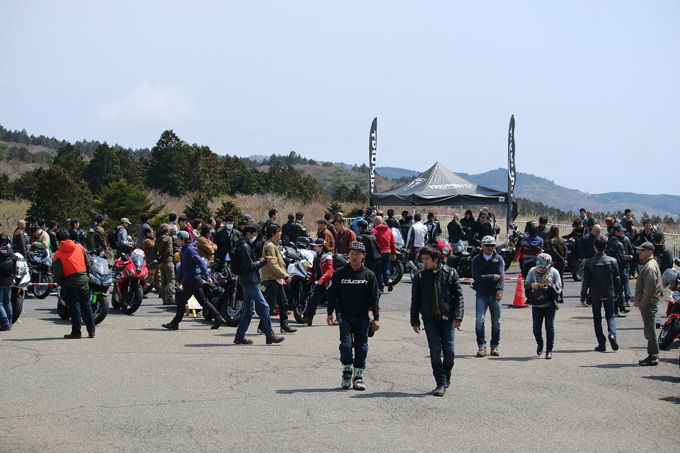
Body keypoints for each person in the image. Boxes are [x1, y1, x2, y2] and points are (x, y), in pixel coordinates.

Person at [410, 245, 464, 396]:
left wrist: (458, 316)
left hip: (447, 319)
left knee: (450, 352)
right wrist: (415, 321)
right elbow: (415, 300)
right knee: (435, 352)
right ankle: (440, 383)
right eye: (423, 259)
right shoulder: (420, 276)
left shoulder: (450, 273)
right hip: (430, 320)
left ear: (436, 259)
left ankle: (446, 374)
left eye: (427, 259)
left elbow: (458, 296)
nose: (424, 262)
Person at [326, 240, 380, 391]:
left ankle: (358, 376)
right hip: (345, 316)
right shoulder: (339, 273)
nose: (354, 257)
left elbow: (374, 297)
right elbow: (332, 294)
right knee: (345, 346)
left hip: (362, 317)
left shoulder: (369, 275)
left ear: (363, 256)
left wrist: (376, 318)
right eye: (351, 254)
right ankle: (346, 373)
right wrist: (330, 313)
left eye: (357, 254)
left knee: (362, 347)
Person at [162, 231, 226, 331]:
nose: (176, 240)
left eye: (178, 239)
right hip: (190, 279)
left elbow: (201, 262)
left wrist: (207, 276)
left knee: (182, 301)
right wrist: (179, 279)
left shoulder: (190, 250)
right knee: (203, 301)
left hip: (192, 279)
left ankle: (175, 323)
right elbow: (183, 266)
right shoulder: (183, 249)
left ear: (183, 239)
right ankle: (218, 317)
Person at [232, 225, 285, 345]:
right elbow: (250, 266)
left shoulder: (242, 245)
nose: (255, 236)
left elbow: (249, 263)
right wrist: (264, 260)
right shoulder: (245, 247)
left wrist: (260, 260)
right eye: (254, 234)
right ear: (248, 234)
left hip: (247, 280)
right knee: (265, 307)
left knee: (249, 310)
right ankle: (269, 334)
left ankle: (240, 335)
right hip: (250, 280)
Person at [52, 228, 95, 339]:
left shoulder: (58, 253)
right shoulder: (80, 247)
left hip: (69, 282)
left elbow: (57, 272)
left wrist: (60, 282)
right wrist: (85, 273)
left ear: (58, 239)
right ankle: (91, 331)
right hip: (83, 279)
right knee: (86, 305)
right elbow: (88, 263)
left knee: (75, 306)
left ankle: (76, 331)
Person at [580, 236, 620, 352]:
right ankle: (612, 334)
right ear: (606, 247)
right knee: (610, 315)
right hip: (609, 291)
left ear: (595, 247)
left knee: (597, 318)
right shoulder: (612, 261)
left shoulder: (589, 262)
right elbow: (617, 279)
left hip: (595, 293)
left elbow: (586, 281)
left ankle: (601, 343)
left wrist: (583, 296)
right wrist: (617, 292)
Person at [471, 236, 505, 357]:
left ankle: (494, 346)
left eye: (492, 245)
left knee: (496, 322)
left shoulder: (499, 259)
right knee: (479, 321)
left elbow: (501, 276)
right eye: (487, 245)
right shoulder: (476, 260)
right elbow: (476, 277)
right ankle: (481, 346)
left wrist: (500, 290)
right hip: (482, 294)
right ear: (482, 246)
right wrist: (491, 277)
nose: (490, 248)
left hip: (495, 294)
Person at [260, 223, 297, 334]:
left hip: (277, 278)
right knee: (271, 306)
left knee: (284, 303)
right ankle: (262, 326)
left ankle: (284, 326)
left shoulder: (273, 245)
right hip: (272, 278)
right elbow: (273, 264)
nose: (281, 233)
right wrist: (284, 275)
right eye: (279, 231)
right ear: (273, 233)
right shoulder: (270, 246)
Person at [525, 253, 562, 359]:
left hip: (549, 304)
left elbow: (559, 286)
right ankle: (540, 343)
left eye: (544, 267)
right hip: (536, 303)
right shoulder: (533, 271)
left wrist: (549, 287)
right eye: (540, 266)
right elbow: (526, 283)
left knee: (549, 327)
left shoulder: (554, 272)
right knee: (536, 327)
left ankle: (549, 350)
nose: (541, 268)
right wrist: (532, 285)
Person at [633, 242, 662, 366]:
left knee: (650, 332)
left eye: (643, 250)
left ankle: (653, 356)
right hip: (649, 303)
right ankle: (652, 355)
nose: (640, 252)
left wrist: (643, 303)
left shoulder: (649, 267)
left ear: (650, 252)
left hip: (649, 304)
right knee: (650, 331)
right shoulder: (649, 264)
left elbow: (649, 289)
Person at [302, 238, 334, 326]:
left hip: (328, 281)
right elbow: (313, 268)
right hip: (319, 281)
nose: (314, 248)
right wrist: (306, 267)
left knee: (333, 301)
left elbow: (330, 270)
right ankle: (309, 318)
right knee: (314, 299)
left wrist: (322, 279)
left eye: (316, 246)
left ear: (321, 247)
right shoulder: (316, 256)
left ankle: (338, 318)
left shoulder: (328, 256)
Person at [606, 224, 633, 316]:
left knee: (617, 288)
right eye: (621, 231)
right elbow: (621, 258)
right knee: (619, 289)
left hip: (612, 269)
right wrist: (629, 257)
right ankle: (616, 309)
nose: (623, 232)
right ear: (616, 232)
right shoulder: (617, 243)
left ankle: (621, 307)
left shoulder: (610, 241)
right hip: (619, 269)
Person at [372, 216, 396, 293]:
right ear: (382, 222)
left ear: (375, 223)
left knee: (378, 270)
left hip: (378, 253)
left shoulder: (374, 231)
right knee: (386, 269)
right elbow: (393, 243)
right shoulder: (389, 231)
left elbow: (372, 243)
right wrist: (393, 253)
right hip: (387, 252)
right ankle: (389, 280)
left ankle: (381, 287)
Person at [544, 225, 566, 302]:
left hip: (555, 261)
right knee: (561, 278)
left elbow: (554, 251)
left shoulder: (551, 241)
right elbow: (566, 249)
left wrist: (561, 258)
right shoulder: (561, 239)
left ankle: (555, 295)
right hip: (562, 262)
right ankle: (561, 295)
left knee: (553, 278)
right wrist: (564, 259)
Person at [155, 224, 175, 305]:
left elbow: (154, 251)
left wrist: (159, 260)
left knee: (164, 281)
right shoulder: (168, 239)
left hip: (161, 263)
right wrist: (164, 259)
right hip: (168, 261)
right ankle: (170, 298)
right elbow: (169, 250)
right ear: (167, 230)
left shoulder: (157, 239)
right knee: (171, 279)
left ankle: (164, 298)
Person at [0, 234, 16, 331]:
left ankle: (5, 322)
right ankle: (9, 321)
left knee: (0, 303)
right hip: (10, 280)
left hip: (1, 280)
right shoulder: (11, 253)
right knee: (7, 301)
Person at [142, 227, 161, 294]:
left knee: (158, 278)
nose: (152, 234)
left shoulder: (151, 240)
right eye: (151, 232)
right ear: (147, 233)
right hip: (151, 263)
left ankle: (161, 292)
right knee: (149, 278)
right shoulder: (147, 241)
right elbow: (155, 247)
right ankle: (141, 291)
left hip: (155, 262)